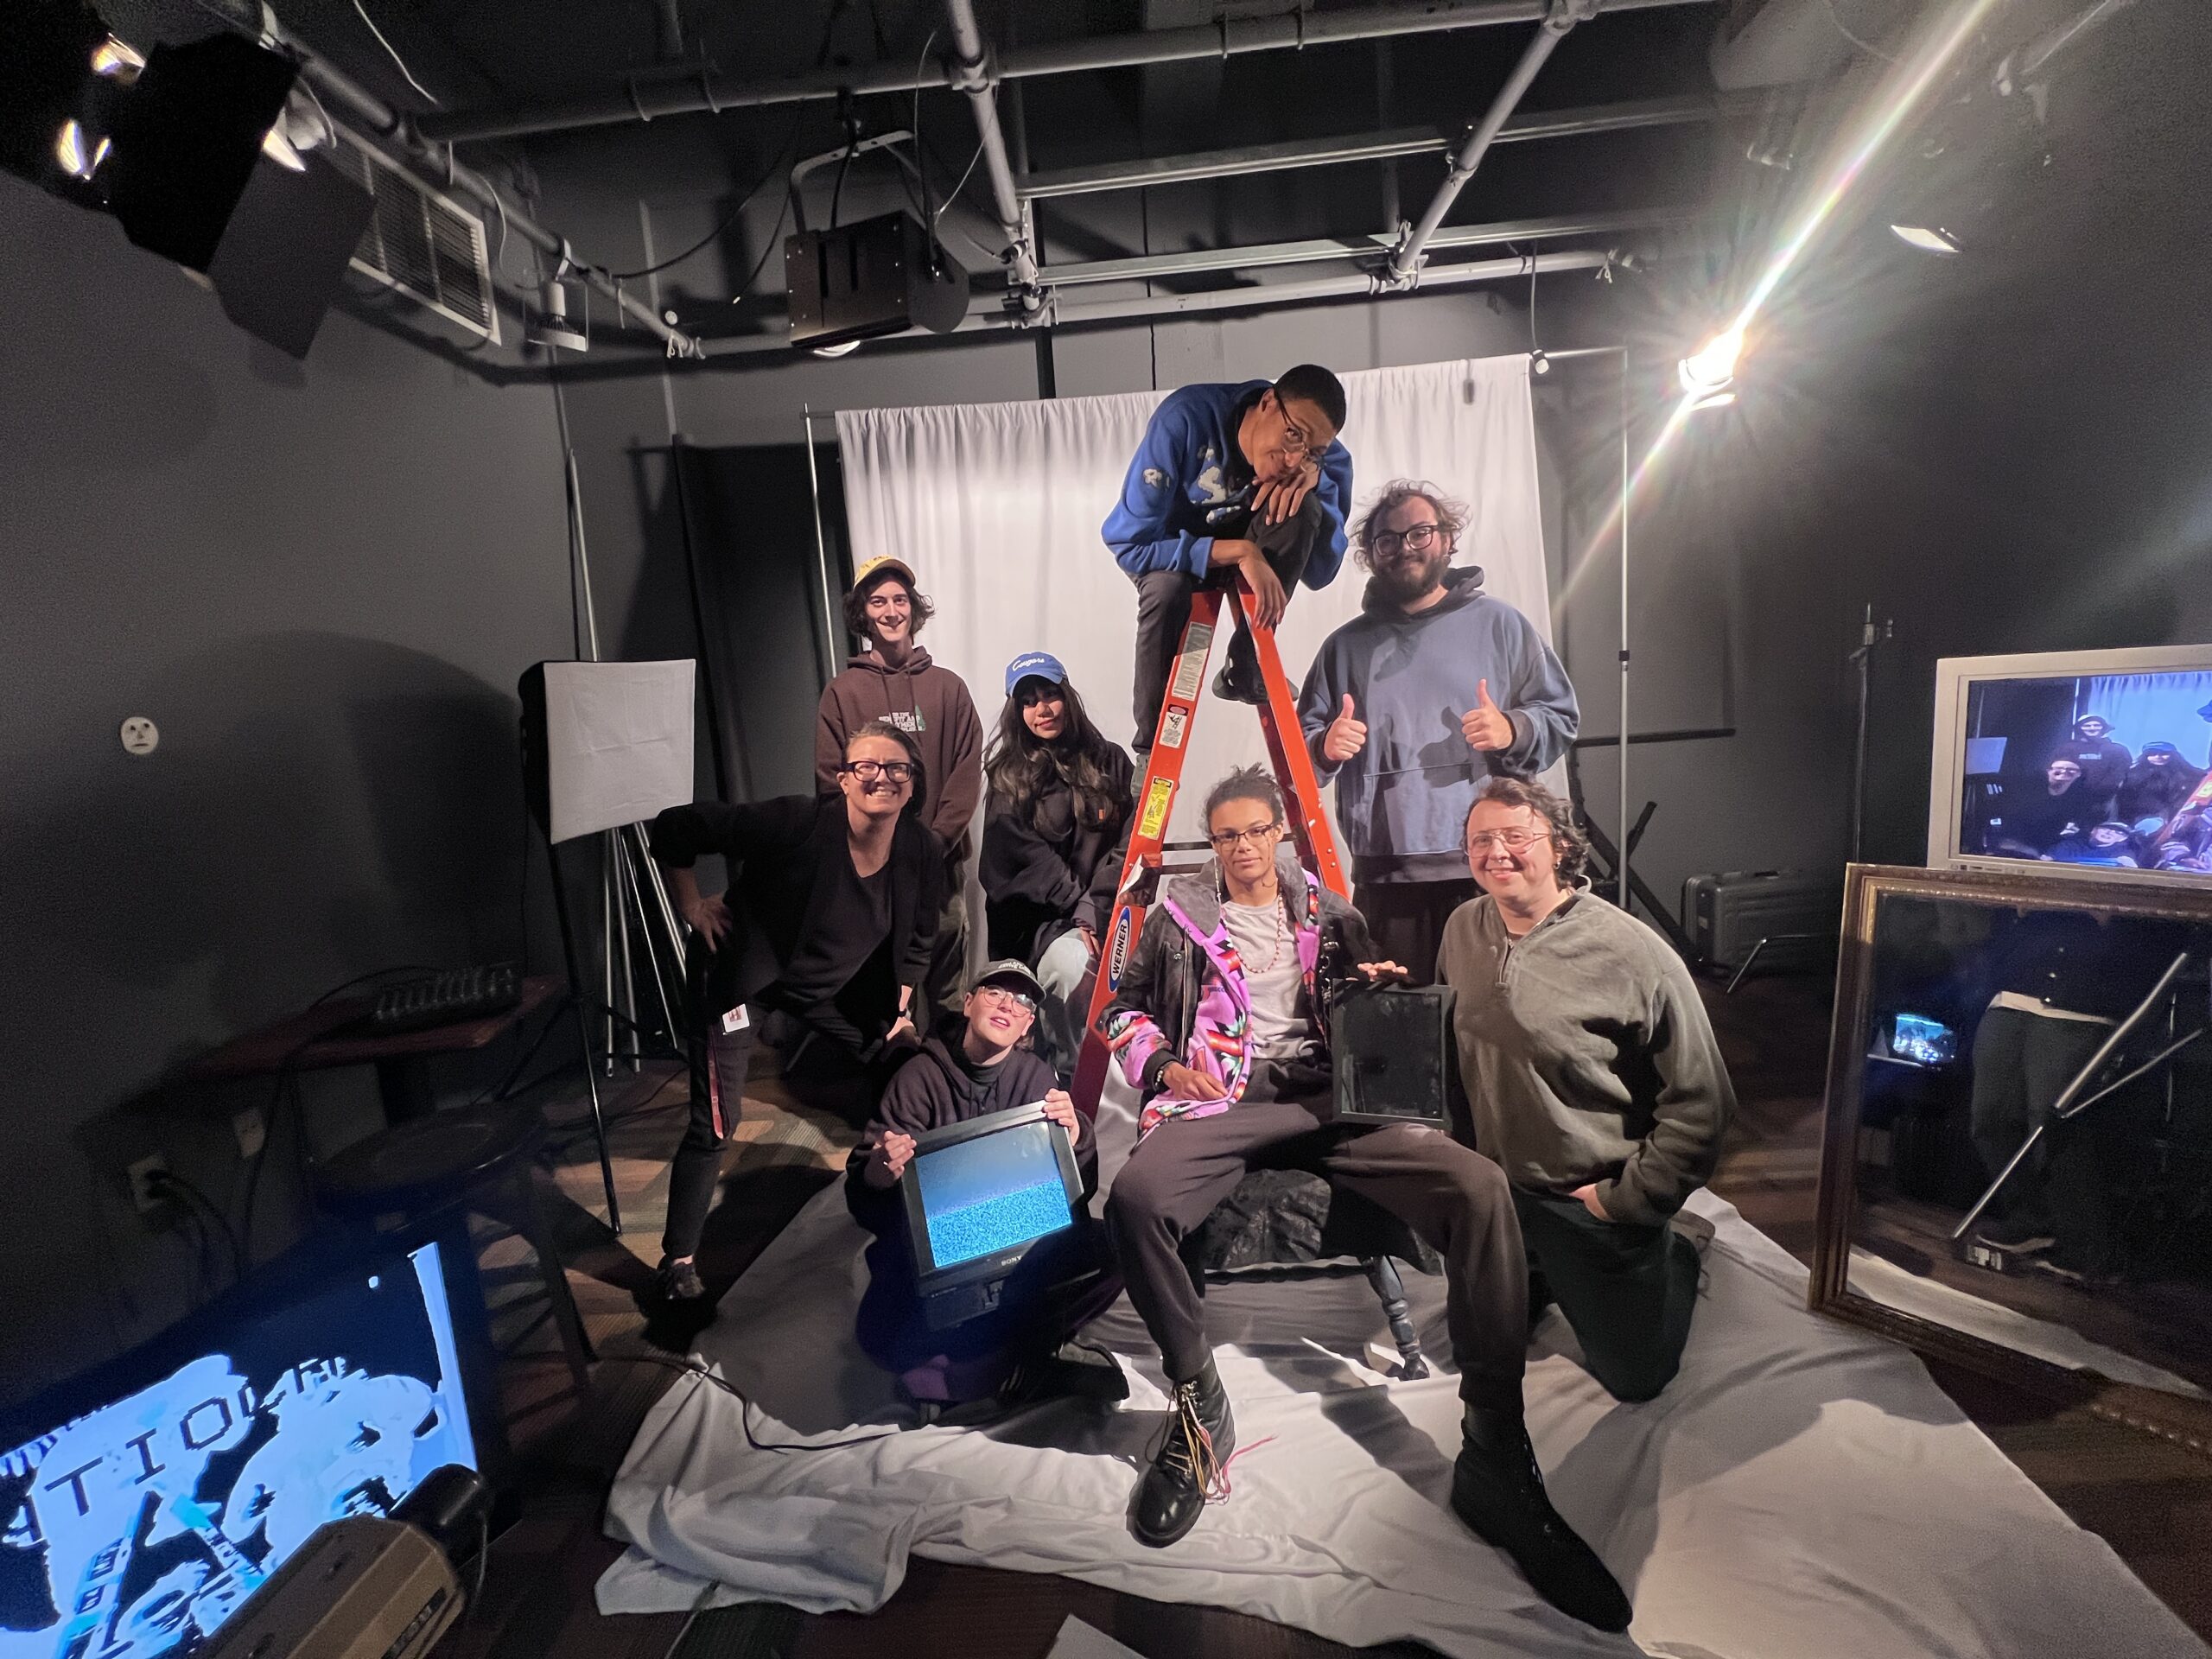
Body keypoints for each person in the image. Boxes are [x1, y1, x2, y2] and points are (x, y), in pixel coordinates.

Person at [1097, 766, 1630, 1631]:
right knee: (1136, 1196)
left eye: (1252, 832)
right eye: (1222, 835)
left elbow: (1356, 1004)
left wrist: (1376, 991)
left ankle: (1495, 1444)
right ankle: (1200, 1406)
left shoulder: (1329, 912)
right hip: (1226, 1100)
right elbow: (1121, 1012)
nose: (1238, 848)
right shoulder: (1177, 918)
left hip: (1331, 1095)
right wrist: (1160, 1065)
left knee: (1477, 1184)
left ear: (1279, 834)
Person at [1436, 778, 1732, 1406]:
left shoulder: (1632, 952)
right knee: (1480, 1352)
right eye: (1479, 840)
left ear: (1563, 847)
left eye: (1517, 836)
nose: (1497, 853)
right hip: (1499, 1195)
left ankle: (1675, 1246)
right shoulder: (1463, 928)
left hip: (1587, 1195)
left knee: (1636, 1380)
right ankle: (1540, 1270)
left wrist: (1629, 1200)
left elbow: (1704, 1103)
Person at [649, 720, 945, 1301]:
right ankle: (677, 1261)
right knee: (716, 1121)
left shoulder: (921, 849)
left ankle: (899, 1200)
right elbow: (676, 827)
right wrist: (691, 907)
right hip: (742, 983)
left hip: (826, 989)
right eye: (867, 766)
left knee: (904, 1060)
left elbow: (921, 935)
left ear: (912, 786)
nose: (880, 777)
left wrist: (902, 1004)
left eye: (896, 769)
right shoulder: (797, 822)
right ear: (843, 778)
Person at [1297, 480, 1579, 982]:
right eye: (1388, 540)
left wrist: (1512, 728)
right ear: (1371, 555)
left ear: (1448, 539)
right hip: (1387, 874)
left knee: (1492, 1011)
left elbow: (1560, 716)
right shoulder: (1344, 648)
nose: (1404, 547)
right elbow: (1296, 750)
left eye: (1419, 533)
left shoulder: (1502, 626)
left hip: (1490, 865)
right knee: (1399, 1021)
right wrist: (1322, 745)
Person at [847, 959, 1124, 1415]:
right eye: (995, 993)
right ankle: (1009, 1367)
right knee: (880, 1339)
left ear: (1028, 1025)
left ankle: (982, 1370)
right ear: (969, 1001)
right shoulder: (918, 1078)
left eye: (1021, 1002)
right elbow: (869, 1205)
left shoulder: (1036, 1077)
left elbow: (1075, 1196)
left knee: (1120, 1247)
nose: (1007, 1006)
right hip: (941, 1251)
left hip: (1018, 1239)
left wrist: (1075, 1138)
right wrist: (880, 1171)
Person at [1103, 365, 1352, 752]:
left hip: (1247, 553)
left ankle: (1245, 661)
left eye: (1311, 451)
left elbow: (1323, 571)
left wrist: (1319, 480)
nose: (1293, 459)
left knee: (1303, 512)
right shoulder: (1184, 419)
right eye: (1293, 436)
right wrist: (1238, 551)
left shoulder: (1321, 460)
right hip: (1173, 556)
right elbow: (1130, 545)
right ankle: (1151, 748)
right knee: (1167, 591)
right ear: (1267, 402)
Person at [817, 555, 985, 1019]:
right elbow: (832, 780)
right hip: (874, 873)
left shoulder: (949, 689)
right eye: (877, 601)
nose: (891, 611)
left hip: (939, 866)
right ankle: (896, 1085)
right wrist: (874, 849)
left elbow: (966, 772)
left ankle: (951, 1084)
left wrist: (931, 845)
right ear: (862, 614)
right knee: (884, 996)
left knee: (948, 991)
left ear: (913, 608)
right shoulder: (842, 693)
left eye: (899, 599)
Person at [978, 652, 1135, 1076]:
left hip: (1104, 911)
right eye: (1028, 701)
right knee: (1071, 972)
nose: (1042, 709)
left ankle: (1112, 1082)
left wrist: (1095, 908)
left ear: (1068, 695)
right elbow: (1019, 859)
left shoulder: (1112, 761)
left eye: (1050, 694)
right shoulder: (1006, 776)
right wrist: (1077, 909)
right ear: (1017, 712)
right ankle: (1069, 1079)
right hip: (1040, 925)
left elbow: (1131, 844)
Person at [1988, 754, 2088, 857]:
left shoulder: (2079, 799)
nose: (2064, 771)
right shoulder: (2026, 793)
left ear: (2079, 774)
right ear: (2048, 771)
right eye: (2059, 768)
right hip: (2017, 846)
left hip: (2050, 849)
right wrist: (2031, 851)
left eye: (2071, 770)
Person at [2053, 713, 2130, 817]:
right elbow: (2057, 770)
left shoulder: (2118, 750)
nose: (2092, 728)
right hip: (2070, 798)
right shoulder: (2067, 748)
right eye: (2087, 725)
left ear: (2103, 728)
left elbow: (2119, 773)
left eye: (2096, 725)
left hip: (2104, 800)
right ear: (2080, 728)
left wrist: (2100, 792)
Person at [2117, 741, 2206, 828]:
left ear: (2173, 756)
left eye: (2164, 754)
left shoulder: (2190, 775)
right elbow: (2125, 801)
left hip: (2176, 819)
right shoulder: (2133, 775)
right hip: (2140, 818)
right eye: (2152, 754)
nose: (2158, 757)